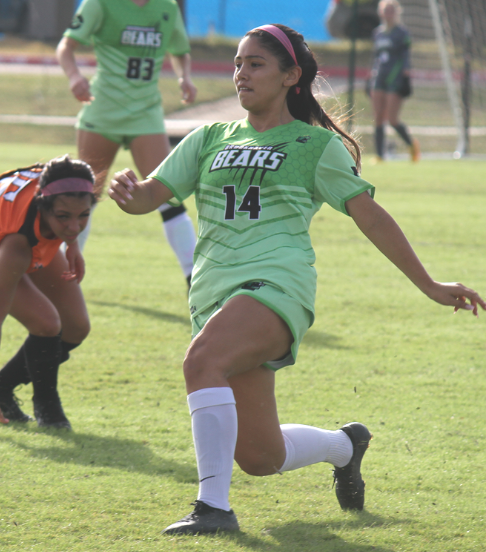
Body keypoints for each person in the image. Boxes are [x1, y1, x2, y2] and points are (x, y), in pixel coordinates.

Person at [108, 23, 484, 535]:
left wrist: (430, 284)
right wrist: (131, 194)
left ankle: (213, 509)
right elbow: (153, 195)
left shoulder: (315, 145)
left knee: (202, 361)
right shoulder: (209, 138)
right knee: (260, 456)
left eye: (255, 64)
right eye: (238, 63)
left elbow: (370, 216)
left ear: (291, 76)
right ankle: (345, 446)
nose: (242, 73)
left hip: (275, 287)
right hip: (213, 296)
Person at [56, 0, 198, 286]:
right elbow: (66, 46)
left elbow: (180, 51)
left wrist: (185, 77)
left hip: (145, 115)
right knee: (84, 197)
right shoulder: (100, 4)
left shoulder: (167, 8)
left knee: (168, 196)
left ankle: (194, 279)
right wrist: (74, 77)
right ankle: (61, 278)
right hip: (103, 111)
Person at [0, 155, 94, 435]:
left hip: (24, 226)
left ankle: (3, 387)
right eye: (64, 217)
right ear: (44, 205)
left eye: (84, 216)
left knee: (76, 326)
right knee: (47, 323)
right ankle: (47, 406)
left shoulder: (64, 189)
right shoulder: (17, 242)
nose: (75, 225)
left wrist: (72, 244)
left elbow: (71, 210)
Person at [368, 0, 418, 163]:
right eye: (385, 10)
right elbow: (376, 58)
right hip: (379, 78)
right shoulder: (378, 33)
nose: (388, 14)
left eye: (391, 10)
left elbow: (405, 57)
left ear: (396, 12)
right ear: (380, 12)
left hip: (394, 79)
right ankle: (380, 155)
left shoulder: (401, 33)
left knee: (392, 118)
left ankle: (412, 145)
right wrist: (370, 76)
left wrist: (405, 74)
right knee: (378, 116)